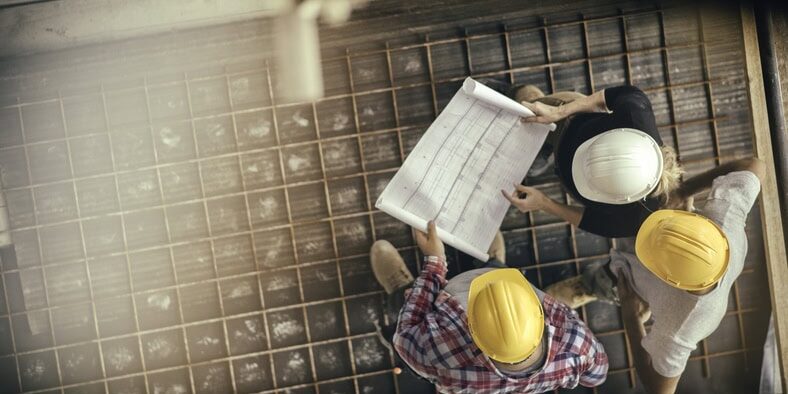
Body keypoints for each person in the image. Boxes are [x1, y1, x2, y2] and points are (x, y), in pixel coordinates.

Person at [549, 157, 766, 393]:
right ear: (704, 226)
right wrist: (684, 191)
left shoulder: (680, 326)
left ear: (666, 277)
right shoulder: (725, 219)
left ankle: (590, 286)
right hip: (667, 238)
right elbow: (754, 166)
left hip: (635, 285)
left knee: (613, 281)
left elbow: (660, 389)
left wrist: (632, 317)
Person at [370, 222, 608, 393]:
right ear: (541, 316)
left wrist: (434, 262)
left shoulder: (439, 354)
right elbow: (596, 376)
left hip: (439, 309)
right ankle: (495, 264)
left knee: (406, 303)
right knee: (504, 277)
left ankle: (404, 288)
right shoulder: (577, 347)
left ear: (471, 329)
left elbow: (405, 336)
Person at [493, 82, 685, 239]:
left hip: (564, 166)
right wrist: (558, 113)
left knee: (532, 163)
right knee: (526, 103)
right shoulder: (635, 113)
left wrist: (543, 203)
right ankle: (509, 91)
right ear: (619, 133)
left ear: (620, 198)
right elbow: (606, 97)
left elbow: (588, 220)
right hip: (570, 120)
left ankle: (542, 156)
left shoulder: (635, 219)